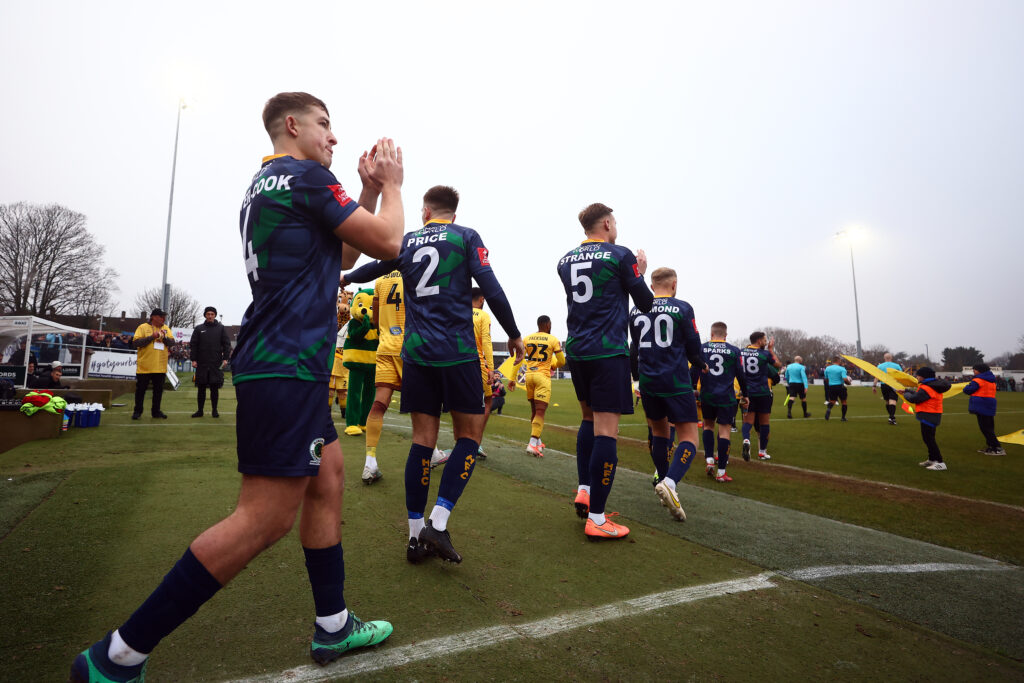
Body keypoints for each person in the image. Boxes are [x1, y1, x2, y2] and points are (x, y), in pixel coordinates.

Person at [70, 92, 406, 682]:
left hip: (278, 360)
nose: (333, 137)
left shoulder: (268, 183)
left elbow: (344, 250)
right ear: (293, 126)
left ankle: (333, 625)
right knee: (264, 517)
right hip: (288, 365)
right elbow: (388, 244)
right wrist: (394, 184)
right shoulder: (304, 177)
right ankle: (117, 657)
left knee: (326, 477)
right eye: (325, 125)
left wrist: (367, 192)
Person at [337, 185, 523, 565]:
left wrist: (348, 278)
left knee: (422, 441)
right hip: (457, 353)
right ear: (453, 212)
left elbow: (379, 266)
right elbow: (491, 286)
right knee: (469, 437)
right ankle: (438, 523)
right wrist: (514, 333)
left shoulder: (408, 241)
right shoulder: (466, 236)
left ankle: (414, 537)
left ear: (425, 211)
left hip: (417, 354)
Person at [558, 203, 653, 540]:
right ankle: (597, 518)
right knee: (606, 432)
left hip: (578, 350)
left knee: (588, 420)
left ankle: (584, 488)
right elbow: (645, 303)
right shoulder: (619, 254)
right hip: (608, 349)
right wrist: (639, 271)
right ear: (607, 223)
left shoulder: (564, 260)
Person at [629, 267, 706, 521]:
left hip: (649, 381)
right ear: (674, 284)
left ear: (652, 287)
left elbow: (634, 349)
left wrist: (637, 378)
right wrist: (701, 363)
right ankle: (670, 484)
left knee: (659, 434)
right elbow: (694, 346)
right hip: (675, 380)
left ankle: (663, 481)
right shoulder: (683, 307)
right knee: (689, 438)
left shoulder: (635, 309)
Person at [340, 263, 405, 485]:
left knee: (378, 403)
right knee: (425, 406)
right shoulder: (414, 272)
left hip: (385, 347)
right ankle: (431, 453)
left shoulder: (380, 280)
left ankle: (370, 463)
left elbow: (376, 320)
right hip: (411, 347)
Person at [695, 322, 748, 482]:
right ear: (725, 335)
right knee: (724, 432)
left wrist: (692, 388)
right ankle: (721, 472)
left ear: (711, 334)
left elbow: (693, 370)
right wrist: (745, 394)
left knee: (708, 426)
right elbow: (740, 374)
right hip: (726, 397)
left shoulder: (702, 348)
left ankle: (710, 460)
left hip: (707, 395)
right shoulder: (733, 350)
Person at [522, 314, 565, 457]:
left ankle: (538, 442)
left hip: (529, 376)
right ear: (548, 325)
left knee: (534, 411)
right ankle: (532, 443)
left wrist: (511, 379)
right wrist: (553, 365)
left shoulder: (527, 338)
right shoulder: (553, 340)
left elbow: (519, 358)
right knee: (540, 412)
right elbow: (562, 361)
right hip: (542, 377)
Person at [899, 367, 952, 471]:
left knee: (929, 439)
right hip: (932, 414)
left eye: (918, 375)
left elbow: (915, 399)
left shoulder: (927, 387)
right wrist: (906, 390)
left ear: (923, 376)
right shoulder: (932, 385)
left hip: (929, 414)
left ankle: (940, 462)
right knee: (928, 438)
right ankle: (932, 459)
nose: (916, 377)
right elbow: (920, 396)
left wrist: (906, 394)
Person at [740, 331, 782, 461]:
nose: (765, 341)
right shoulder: (764, 354)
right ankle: (762, 452)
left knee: (748, 421)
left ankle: (746, 439)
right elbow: (777, 365)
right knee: (764, 423)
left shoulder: (741, 352)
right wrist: (770, 349)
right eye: (764, 340)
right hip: (763, 392)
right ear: (759, 341)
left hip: (747, 392)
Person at [131, 308, 174, 420]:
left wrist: (163, 337)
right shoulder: (143, 327)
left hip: (160, 366)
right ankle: (137, 411)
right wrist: (152, 337)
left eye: (164, 316)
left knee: (158, 391)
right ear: (153, 317)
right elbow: (136, 343)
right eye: (161, 316)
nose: (163, 319)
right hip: (145, 366)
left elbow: (172, 343)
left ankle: (156, 411)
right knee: (140, 390)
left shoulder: (166, 328)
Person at [189, 306, 232, 418]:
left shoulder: (221, 328)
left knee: (214, 388)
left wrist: (225, 358)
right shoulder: (198, 328)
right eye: (208, 314)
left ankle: (214, 410)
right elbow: (193, 345)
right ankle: (200, 411)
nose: (210, 316)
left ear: (215, 315)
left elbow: (227, 344)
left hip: (215, 363)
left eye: (212, 314)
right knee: (201, 388)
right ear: (205, 315)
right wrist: (193, 359)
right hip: (202, 363)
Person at [964, 363, 1005, 455]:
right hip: (989, 404)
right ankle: (991, 447)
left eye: (975, 370)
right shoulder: (991, 380)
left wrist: (967, 386)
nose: (973, 371)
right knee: (989, 427)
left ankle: (997, 448)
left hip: (981, 405)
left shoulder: (978, 380)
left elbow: (968, 390)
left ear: (980, 370)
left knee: (985, 428)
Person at [875, 352, 903, 425]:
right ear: (891, 358)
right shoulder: (897, 366)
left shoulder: (880, 366)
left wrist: (874, 386)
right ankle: (892, 417)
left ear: (884, 358)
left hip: (884, 385)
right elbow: (902, 376)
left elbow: (876, 377)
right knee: (893, 401)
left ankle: (891, 417)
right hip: (894, 385)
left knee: (887, 401)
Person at [823, 356, 852, 421]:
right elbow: (844, 379)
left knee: (832, 401)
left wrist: (830, 383)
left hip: (831, 386)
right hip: (840, 387)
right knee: (843, 401)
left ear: (833, 361)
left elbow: (826, 379)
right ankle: (843, 417)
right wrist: (848, 383)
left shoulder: (827, 369)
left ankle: (828, 409)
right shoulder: (842, 369)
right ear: (839, 361)